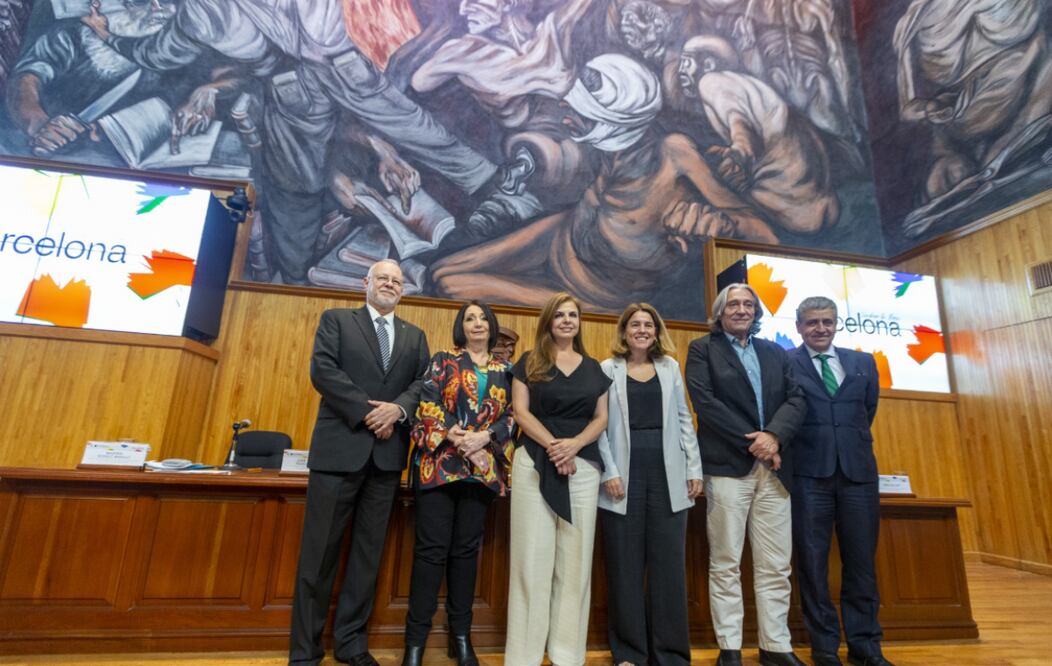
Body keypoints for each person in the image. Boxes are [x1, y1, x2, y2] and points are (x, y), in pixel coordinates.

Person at [79, 0, 503, 284]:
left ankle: (297, 281)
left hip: (292, 88)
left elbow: (164, 54)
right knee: (415, 126)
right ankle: (495, 185)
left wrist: (110, 37)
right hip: (344, 65)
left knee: (297, 191)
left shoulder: (202, 9)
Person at [431, 53, 777, 315]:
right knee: (440, 270)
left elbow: (763, 235)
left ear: (615, 121)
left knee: (450, 285)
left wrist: (723, 228)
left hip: (596, 298)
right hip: (560, 236)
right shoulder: (606, 150)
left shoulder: (674, 154)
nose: (567, 114)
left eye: (581, 113)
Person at [289, 259, 430, 666]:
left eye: (397, 281)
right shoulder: (336, 320)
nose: (389, 284)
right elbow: (324, 371)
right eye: (382, 278)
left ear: (403, 290)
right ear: (365, 282)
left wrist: (398, 412)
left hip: (385, 461)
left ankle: (351, 644)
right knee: (318, 557)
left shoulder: (414, 336)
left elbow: (421, 384)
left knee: (367, 558)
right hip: (339, 453)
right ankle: (305, 652)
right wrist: (370, 413)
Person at [684, 283, 806, 666]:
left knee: (775, 565)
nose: (741, 309)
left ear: (756, 313)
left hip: (774, 471)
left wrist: (774, 437)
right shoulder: (703, 349)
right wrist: (754, 441)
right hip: (727, 468)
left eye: (748, 304)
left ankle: (776, 646)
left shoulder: (776, 352)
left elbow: (796, 399)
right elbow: (704, 402)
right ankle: (730, 647)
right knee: (726, 561)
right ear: (719, 312)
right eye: (733, 304)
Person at [402, 301, 515, 666]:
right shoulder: (441, 361)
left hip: (480, 472)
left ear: (491, 325)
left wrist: (483, 441)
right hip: (439, 467)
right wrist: (461, 439)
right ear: (461, 326)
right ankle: (415, 644)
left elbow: (512, 418)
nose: (478, 323)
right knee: (430, 553)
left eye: (483, 318)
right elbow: (428, 405)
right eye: (470, 318)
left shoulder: (506, 371)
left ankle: (461, 637)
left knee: (466, 555)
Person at [506, 292, 610, 666]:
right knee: (531, 564)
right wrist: (554, 447)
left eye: (573, 315)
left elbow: (601, 419)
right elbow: (520, 412)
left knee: (575, 565)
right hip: (534, 461)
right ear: (548, 321)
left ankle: (567, 657)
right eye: (560, 315)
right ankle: (524, 658)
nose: (567, 320)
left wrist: (575, 446)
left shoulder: (595, 368)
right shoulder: (528, 362)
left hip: (582, 468)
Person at [789, 297, 894, 666]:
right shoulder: (788, 363)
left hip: (858, 477)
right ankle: (825, 647)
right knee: (813, 566)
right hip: (807, 476)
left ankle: (866, 645)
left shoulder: (863, 363)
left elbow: (867, 411)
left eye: (828, 322)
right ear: (799, 327)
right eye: (813, 323)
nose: (821, 328)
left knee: (862, 564)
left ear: (836, 325)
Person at [596, 303, 703, 666]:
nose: (642, 330)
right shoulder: (606, 369)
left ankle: (670, 654)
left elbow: (684, 418)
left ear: (657, 332)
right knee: (624, 566)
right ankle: (629, 654)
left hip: (668, 470)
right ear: (624, 331)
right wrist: (608, 470)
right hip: (622, 474)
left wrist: (694, 469)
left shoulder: (670, 367)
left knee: (668, 567)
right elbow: (599, 426)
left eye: (649, 325)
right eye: (635, 324)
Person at [677, 35, 839, 237]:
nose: (680, 70)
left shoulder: (709, 82)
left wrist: (739, 153)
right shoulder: (740, 82)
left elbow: (739, 124)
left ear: (708, 64)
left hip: (791, 193)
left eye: (686, 62)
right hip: (816, 193)